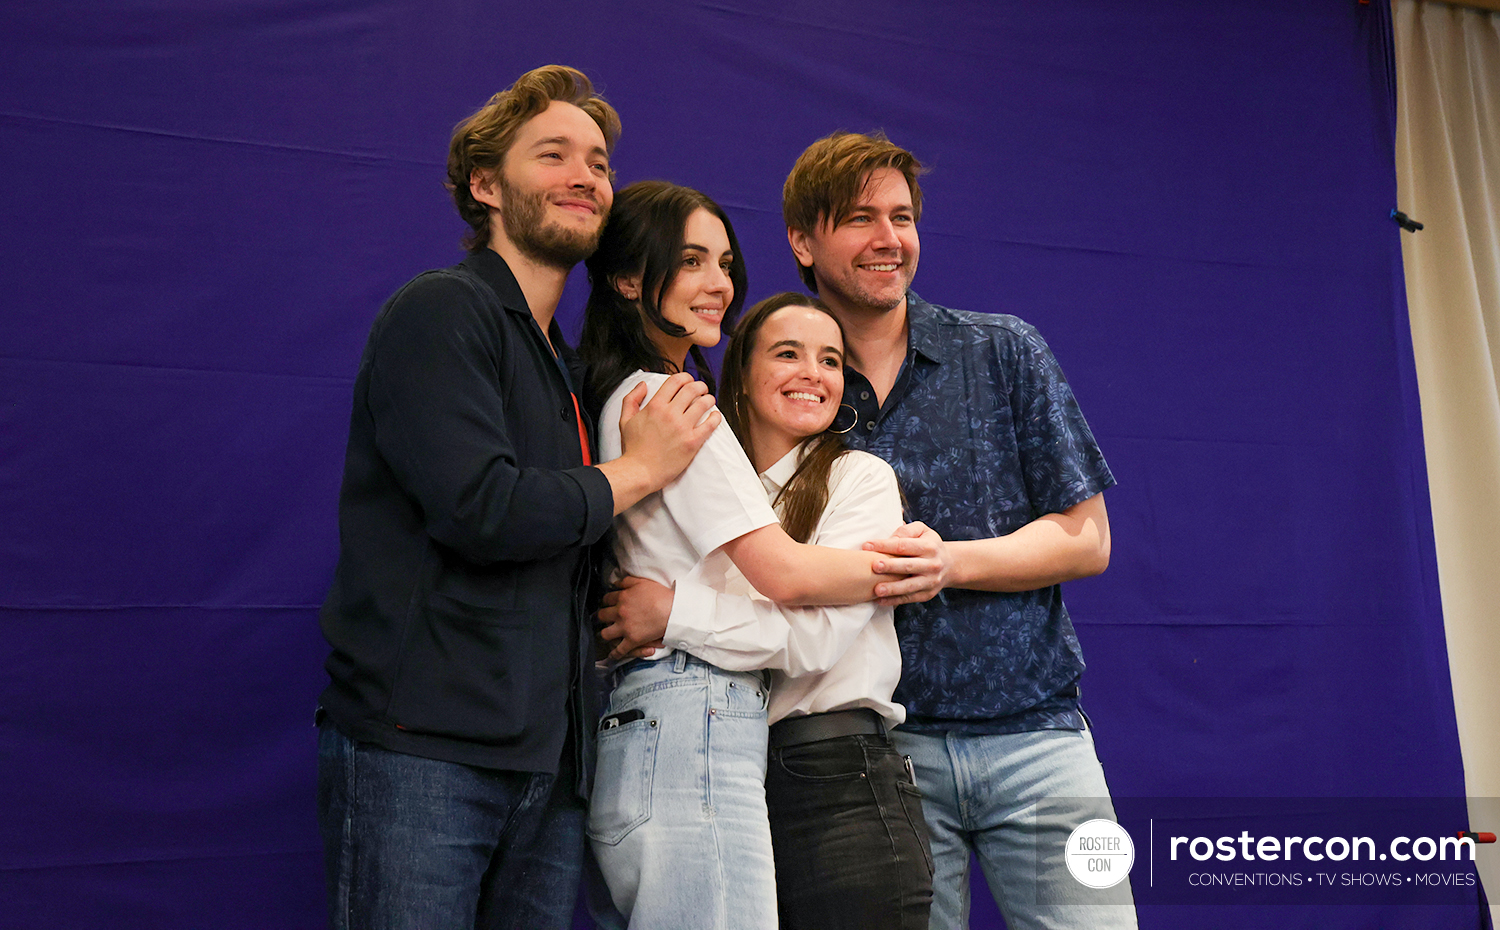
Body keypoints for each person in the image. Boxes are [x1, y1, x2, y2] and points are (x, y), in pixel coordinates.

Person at [314, 66, 721, 930]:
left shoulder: (568, 369)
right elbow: (481, 508)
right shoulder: (441, 313)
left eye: (600, 162)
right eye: (555, 155)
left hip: (553, 768)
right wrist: (639, 471)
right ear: (486, 185)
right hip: (425, 756)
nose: (586, 176)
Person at [781, 131, 1137, 930]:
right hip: (874, 761)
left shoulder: (1002, 350)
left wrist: (948, 561)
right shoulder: (779, 385)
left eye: (902, 216)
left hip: (1040, 741)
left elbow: (1088, 540)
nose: (888, 239)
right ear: (803, 240)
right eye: (859, 218)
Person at [577, 182, 905, 930]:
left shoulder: (625, 395)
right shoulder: (678, 404)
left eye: (723, 262)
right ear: (630, 279)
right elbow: (783, 575)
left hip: (653, 726)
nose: (718, 283)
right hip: (692, 718)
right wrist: (907, 570)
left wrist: (674, 612)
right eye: (690, 261)